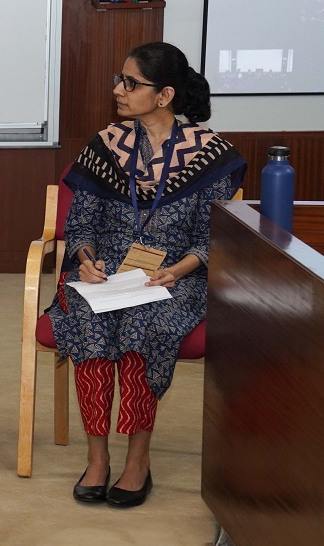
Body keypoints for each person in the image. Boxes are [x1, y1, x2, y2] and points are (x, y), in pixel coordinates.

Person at [49, 42, 244, 508]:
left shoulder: (211, 155)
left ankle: (139, 460)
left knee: (144, 327)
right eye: (120, 79)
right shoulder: (106, 146)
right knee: (87, 323)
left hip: (176, 275)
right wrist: (86, 259)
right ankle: (97, 459)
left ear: (164, 95)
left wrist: (178, 270)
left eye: (131, 83)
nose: (118, 89)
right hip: (108, 272)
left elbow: (212, 236)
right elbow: (81, 223)